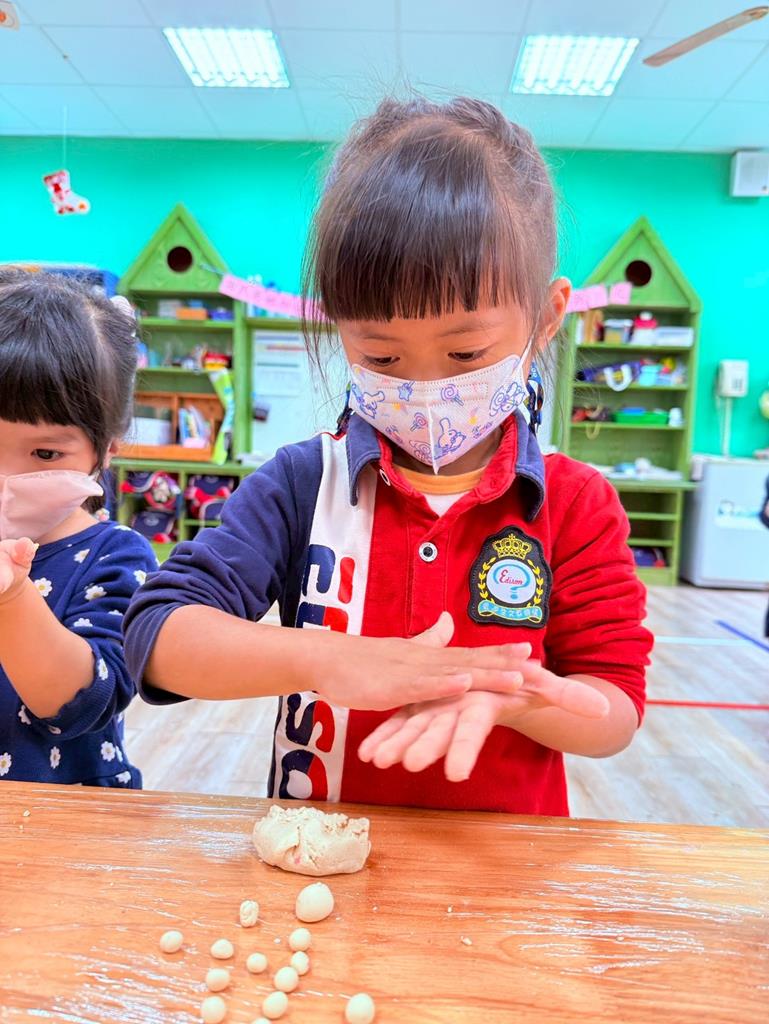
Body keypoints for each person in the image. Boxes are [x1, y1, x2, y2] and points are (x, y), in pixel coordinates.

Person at [124, 96, 653, 814]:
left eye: (467, 353)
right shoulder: (302, 484)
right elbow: (156, 635)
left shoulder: (575, 503)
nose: (425, 387)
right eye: (380, 355)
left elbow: (613, 707)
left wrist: (520, 697)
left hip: (507, 864)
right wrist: (325, 658)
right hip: (318, 846)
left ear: (547, 317)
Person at [0, 270, 155, 787]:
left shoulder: (115, 556)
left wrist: (12, 595)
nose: (7, 476)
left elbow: (79, 705)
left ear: (107, 448)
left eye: (45, 454)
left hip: (66, 820)